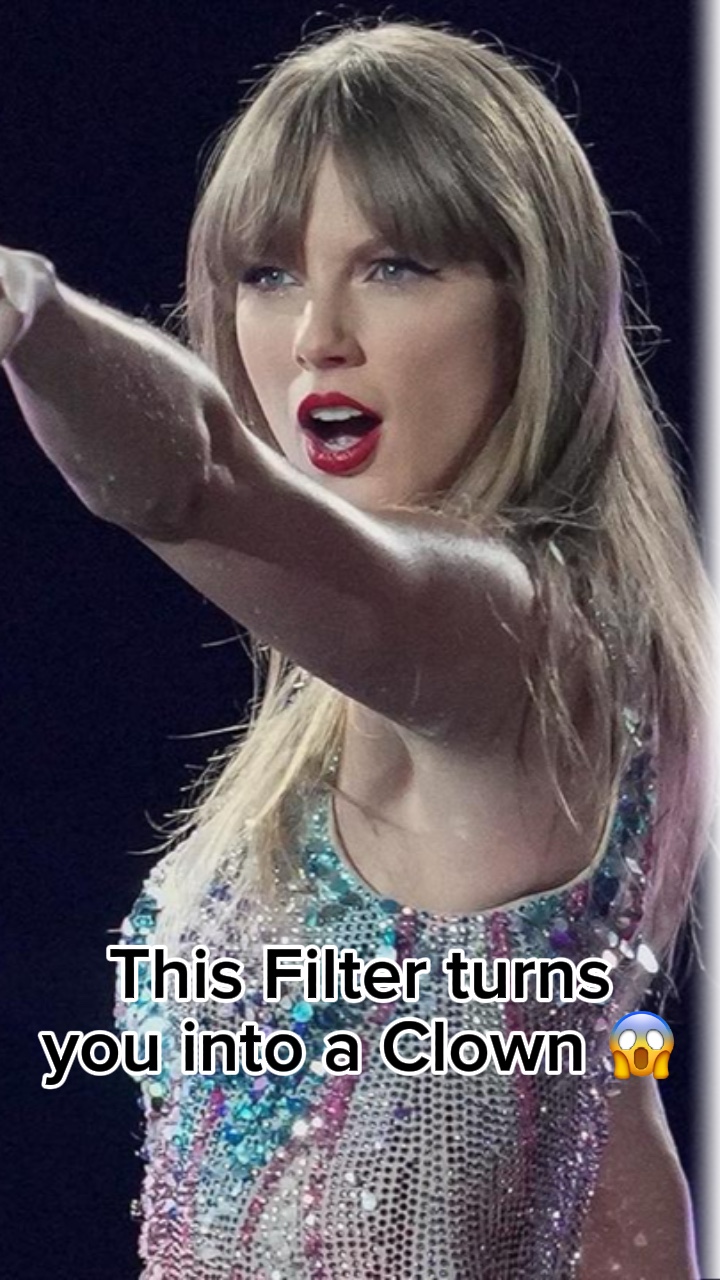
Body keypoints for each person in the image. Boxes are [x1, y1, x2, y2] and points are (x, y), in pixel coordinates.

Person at [1, 18, 713, 1280]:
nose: (316, 335)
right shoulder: (454, 681)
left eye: (395, 266)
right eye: (269, 274)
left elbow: (194, 475)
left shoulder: (522, 643)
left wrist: (25, 313)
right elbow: (613, 1161)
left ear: (531, 304)